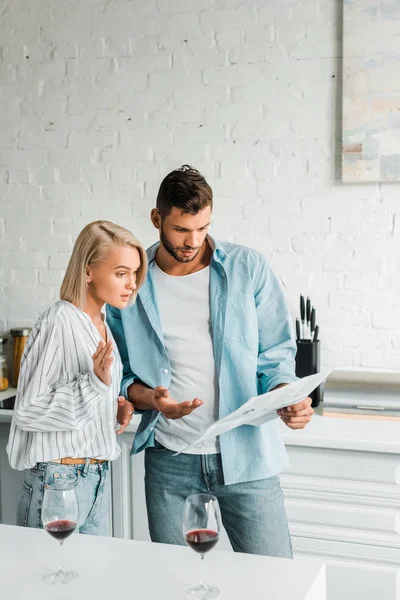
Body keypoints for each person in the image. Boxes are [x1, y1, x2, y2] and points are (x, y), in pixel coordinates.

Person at [107, 166, 314, 556]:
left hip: (248, 456)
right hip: (171, 458)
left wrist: (287, 396)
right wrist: (154, 401)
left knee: (273, 582)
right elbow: (121, 375)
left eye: (202, 228)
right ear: (157, 219)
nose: (193, 241)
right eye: (181, 230)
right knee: (177, 585)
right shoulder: (131, 282)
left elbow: (276, 356)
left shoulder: (247, 268)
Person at [7, 220, 147, 536]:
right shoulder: (59, 321)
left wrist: (113, 407)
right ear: (88, 271)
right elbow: (28, 409)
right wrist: (95, 385)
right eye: (121, 273)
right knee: (46, 580)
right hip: (57, 480)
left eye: (134, 274)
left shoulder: (102, 324)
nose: (131, 284)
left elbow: (80, 409)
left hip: (95, 476)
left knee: (89, 581)